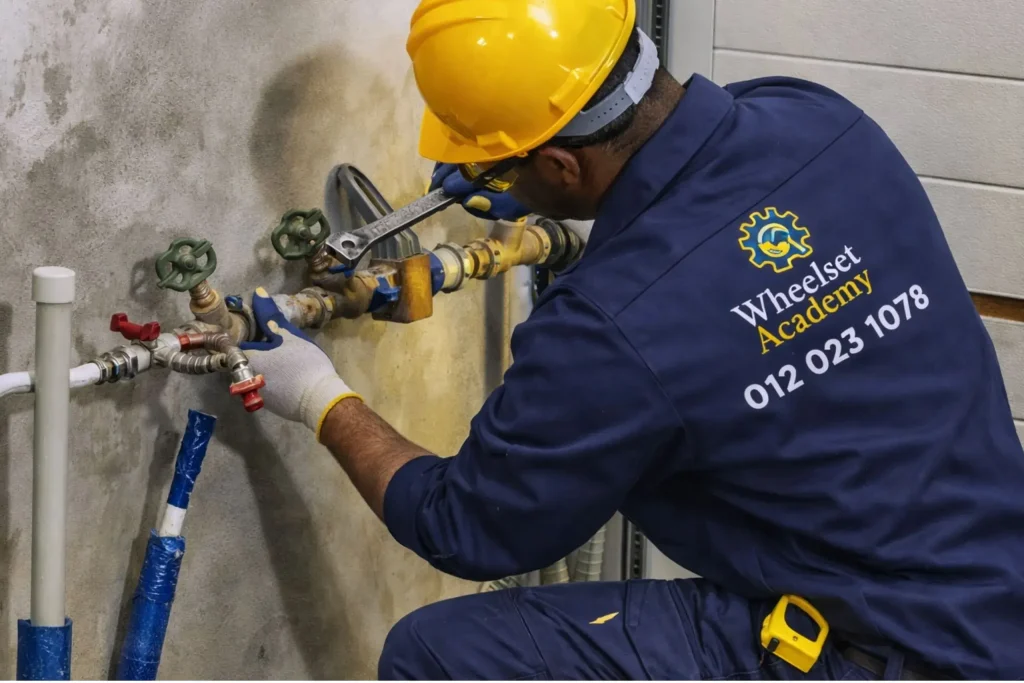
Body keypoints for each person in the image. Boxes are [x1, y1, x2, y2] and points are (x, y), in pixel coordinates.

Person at [241, 0, 1024, 679]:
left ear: (559, 164)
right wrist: (546, 197)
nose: (495, 185)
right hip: (1003, 592)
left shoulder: (609, 326)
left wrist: (317, 394)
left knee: (436, 655)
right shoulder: (819, 118)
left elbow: (463, 523)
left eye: (501, 171)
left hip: (894, 656)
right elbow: (699, 237)